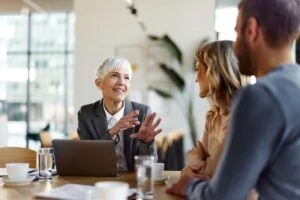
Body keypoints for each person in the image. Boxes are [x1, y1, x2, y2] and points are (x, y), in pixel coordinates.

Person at [167, 0, 300, 199]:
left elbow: (222, 196)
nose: (235, 45)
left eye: (237, 32)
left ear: (252, 30)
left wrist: (189, 186)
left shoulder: (261, 96)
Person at [77, 56, 162, 171]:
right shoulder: (86, 114)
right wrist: (111, 133)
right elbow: (88, 160)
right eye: (114, 75)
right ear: (99, 83)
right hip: (99, 182)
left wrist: (146, 142)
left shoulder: (142, 113)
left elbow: (149, 168)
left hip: (131, 182)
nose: (122, 82)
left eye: (126, 78)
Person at [181, 40, 244, 180]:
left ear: (213, 71)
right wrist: (195, 163)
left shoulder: (240, 118)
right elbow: (193, 170)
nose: (196, 79)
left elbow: (211, 173)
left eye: (198, 69)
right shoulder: (212, 116)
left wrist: (195, 161)